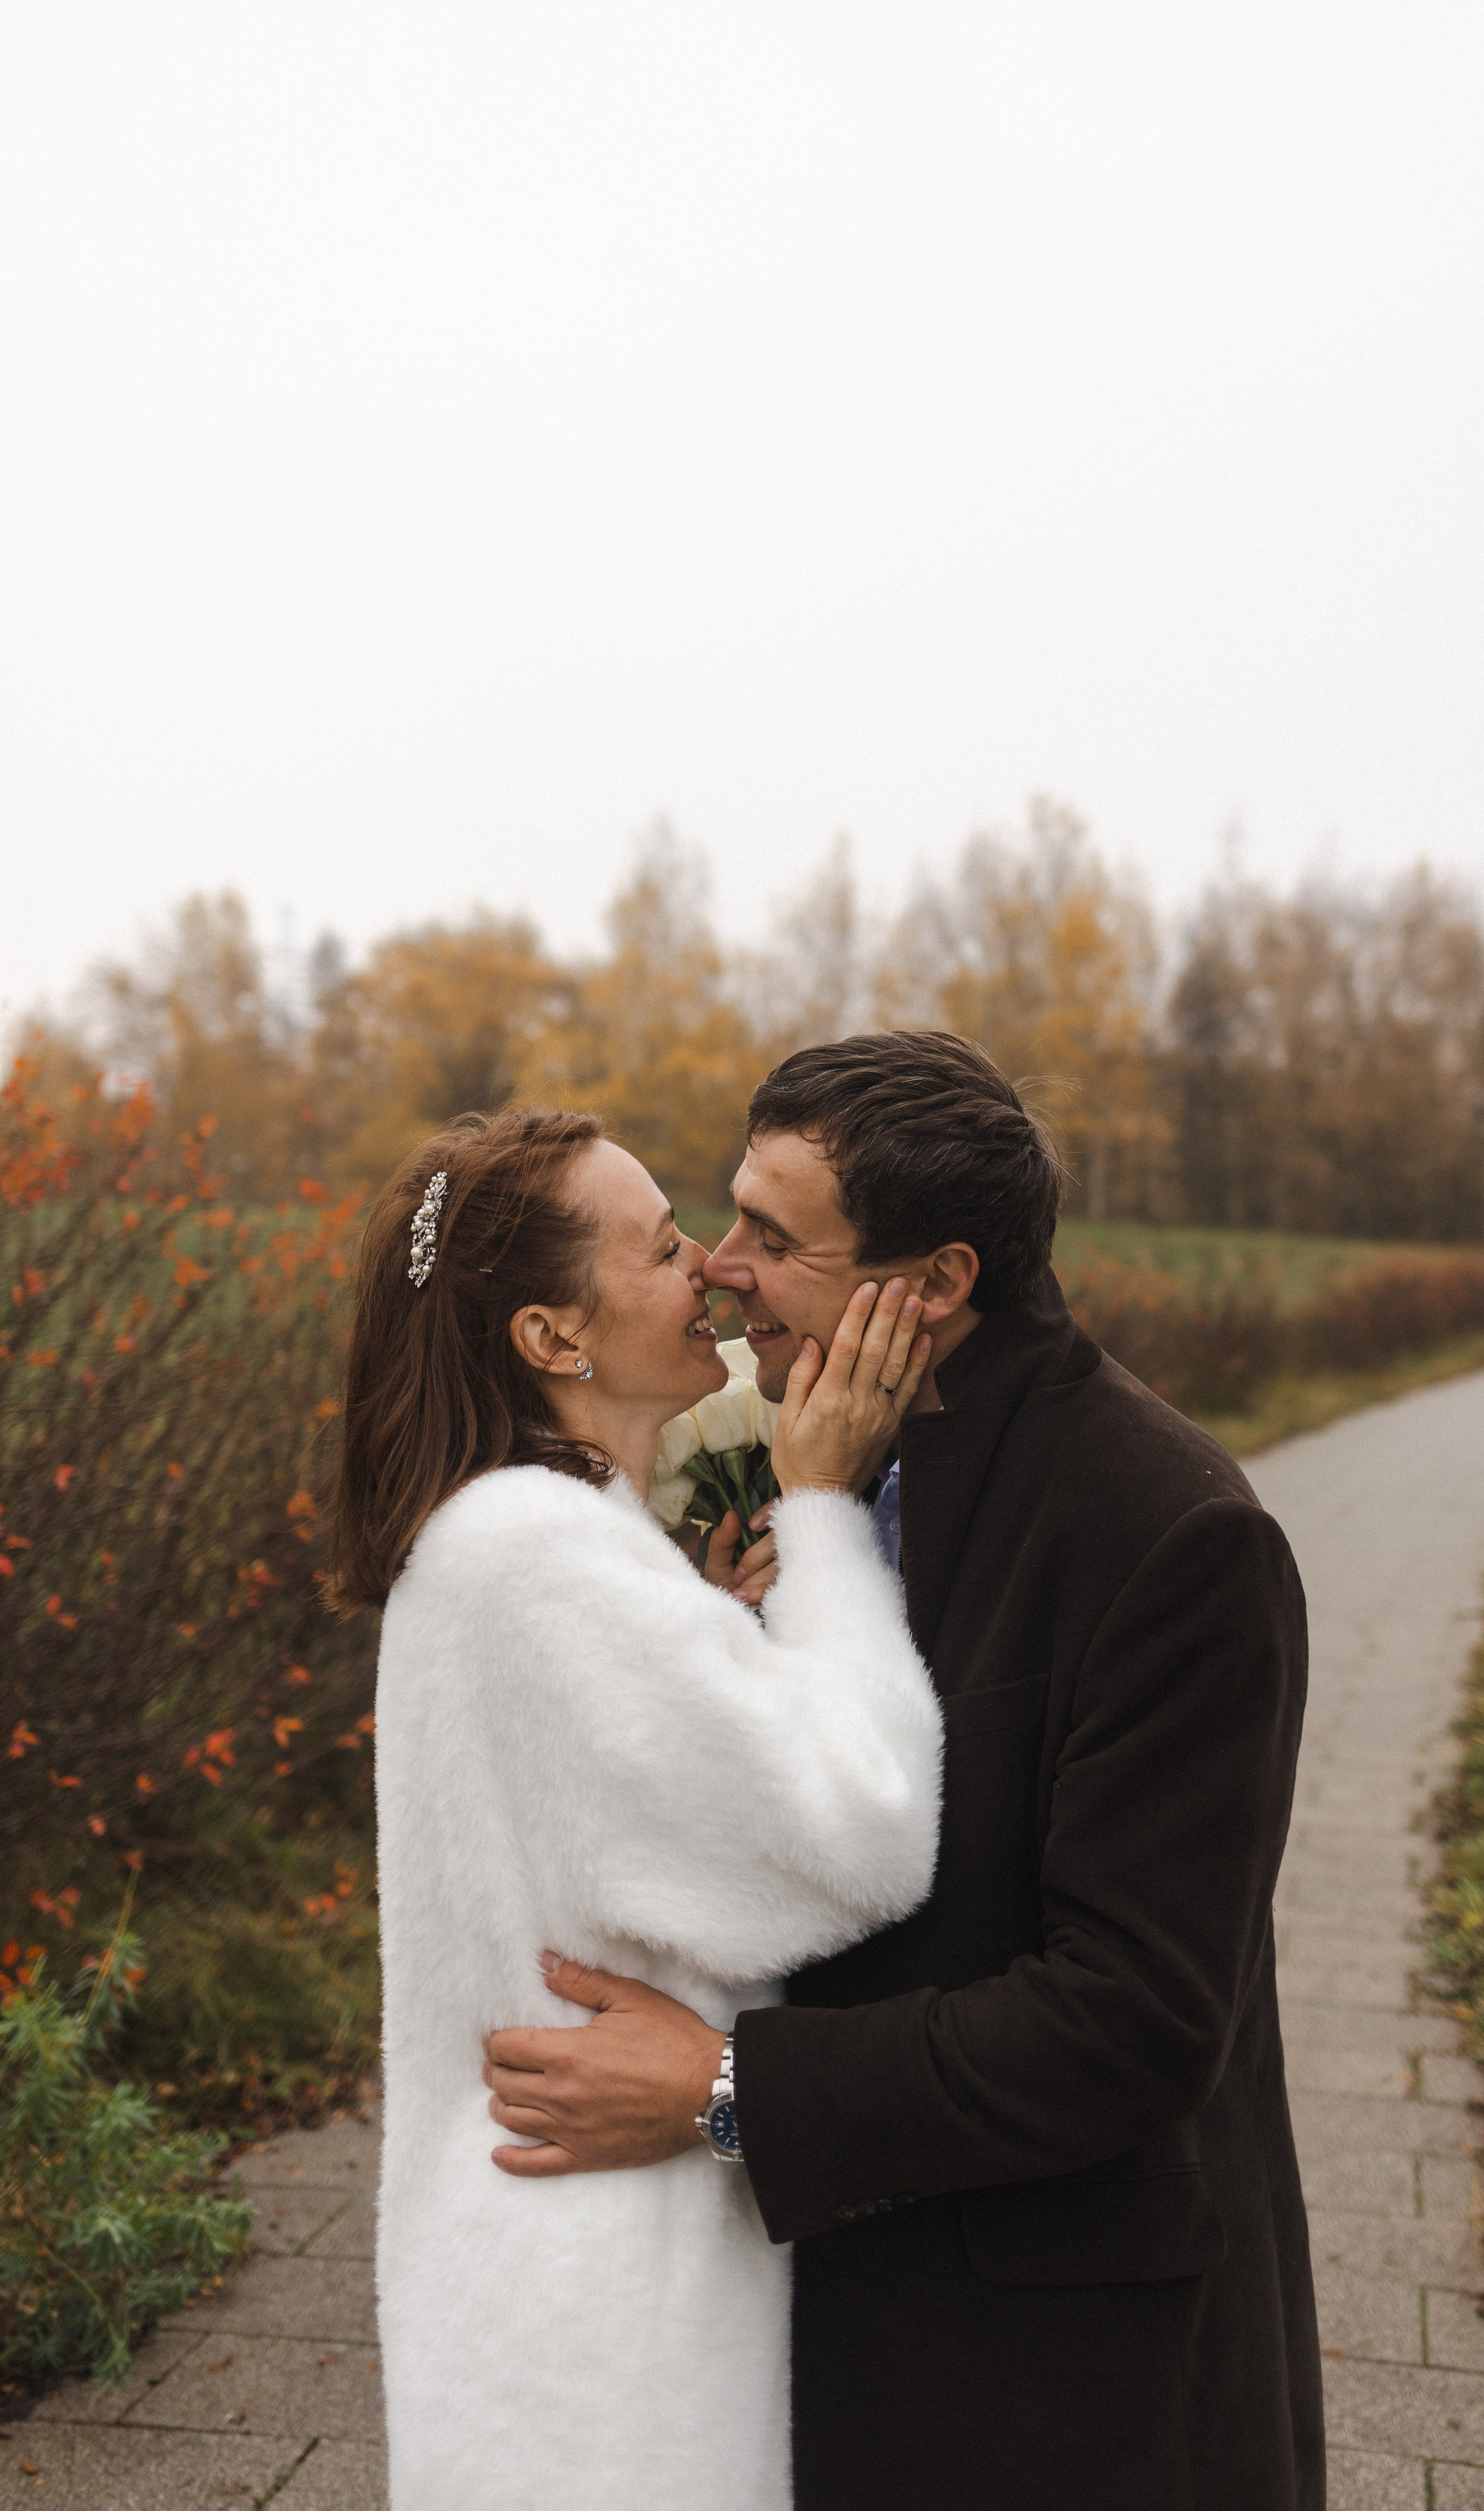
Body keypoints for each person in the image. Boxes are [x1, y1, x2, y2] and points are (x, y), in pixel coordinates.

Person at [480, 1032, 1325, 2511]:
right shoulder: (828, 1459)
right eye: (730, 1216)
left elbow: (1135, 2021)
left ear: (934, 1283)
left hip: (1064, 2379)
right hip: (855, 2316)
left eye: (775, 1237)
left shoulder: (1171, 1535)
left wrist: (726, 2088)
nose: (723, 1267)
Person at [332, 1106, 944, 2511]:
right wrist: (826, 1514)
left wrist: (721, 1645)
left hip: (553, 2262)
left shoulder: (526, 1538)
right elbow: (864, 1832)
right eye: (664, 1249)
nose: (712, 1271)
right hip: (597, 2321)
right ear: (553, 1336)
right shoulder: (538, 1557)